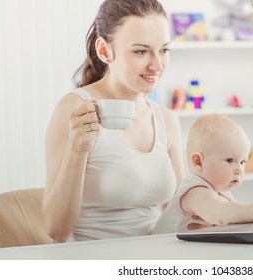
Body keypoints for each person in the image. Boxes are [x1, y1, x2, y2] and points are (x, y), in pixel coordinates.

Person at [42, 0, 184, 242]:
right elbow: (56, 230)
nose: (157, 65)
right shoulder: (74, 109)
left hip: (156, 257)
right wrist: (77, 149)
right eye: (141, 51)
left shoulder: (166, 120)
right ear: (105, 51)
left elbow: (180, 210)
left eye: (163, 50)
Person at [152, 114, 253, 234]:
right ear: (198, 162)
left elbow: (232, 217)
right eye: (230, 161)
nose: (239, 169)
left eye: (242, 162)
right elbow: (221, 213)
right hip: (162, 250)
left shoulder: (221, 191)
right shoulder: (194, 191)